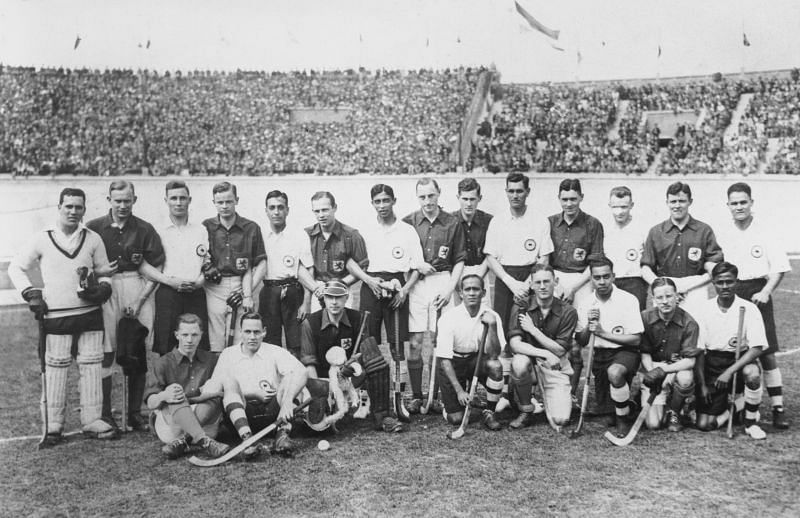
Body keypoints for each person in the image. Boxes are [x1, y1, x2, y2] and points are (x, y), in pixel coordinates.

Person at [9, 187, 117, 444]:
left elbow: (104, 271)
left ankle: (92, 421)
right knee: (56, 367)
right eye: (68, 206)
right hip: (56, 314)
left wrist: (103, 288)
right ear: (59, 207)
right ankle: (54, 425)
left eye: (78, 207)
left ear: (84, 210)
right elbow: (16, 267)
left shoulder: (92, 238)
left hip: (90, 313)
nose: (73, 211)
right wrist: (31, 294)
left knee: (91, 365)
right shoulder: (42, 238)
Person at [86, 180, 165, 432]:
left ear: (134, 200)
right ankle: (106, 413)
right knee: (107, 351)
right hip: (106, 288)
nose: (122, 205)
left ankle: (134, 413)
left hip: (137, 286)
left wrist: (141, 298)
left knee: (137, 350)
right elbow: (84, 263)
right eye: (117, 200)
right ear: (108, 199)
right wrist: (99, 273)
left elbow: (157, 267)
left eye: (127, 201)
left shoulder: (144, 228)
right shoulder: (94, 228)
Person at [716, 182, 790, 429]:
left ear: (751, 203)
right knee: (733, 348)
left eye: (743, 202)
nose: (739, 207)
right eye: (734, 203)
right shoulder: (724, 232)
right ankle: (738, 403)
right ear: (728, 206)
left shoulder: (765, 230)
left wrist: (766, 291)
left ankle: (778, 407)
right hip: (733, 293)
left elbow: (779, 267)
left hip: (758, 292)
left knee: (766, 352)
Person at [301, 280, 405, 433]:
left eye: (339, 297)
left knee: (378, 363)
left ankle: (383, 416)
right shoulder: (310, 323)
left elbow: (367, 352)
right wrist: (322, 393)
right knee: (319, 426)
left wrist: (354, 364)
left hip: (349, 375)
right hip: (323, 378)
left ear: (346, 298)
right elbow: (309, 363)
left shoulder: (359, 319)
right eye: (330, 297)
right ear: (324, 298)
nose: (334, 302)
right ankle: (324, 407)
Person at [402, 178, 467, 413]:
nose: (427, 201)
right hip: (417, 284)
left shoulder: (452, 222)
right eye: (422, 197)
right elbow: (402, 258)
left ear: (439, 194)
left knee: (441, 342)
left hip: (443, 282)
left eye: (431, 195)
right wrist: (418, 266)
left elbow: (460, 259)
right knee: (417, 343)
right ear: (417, 197)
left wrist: (450, 289)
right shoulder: (408, 222)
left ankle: (437, 394)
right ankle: (417, 395)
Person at [207, 312, 309, 458]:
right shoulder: (228, 354)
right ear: (240, 332)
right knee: (228, 381)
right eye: (247, 332)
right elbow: (215, 389)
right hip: (242, 415)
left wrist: (287, 401)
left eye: (256, 332)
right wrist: (253, 393)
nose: (252, 337)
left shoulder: (275, 351)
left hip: (274, 414)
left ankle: (282, 436)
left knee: (291, 377)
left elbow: (302, 372)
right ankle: (247, 440)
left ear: (264, 332)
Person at [357, 184, 423, 395]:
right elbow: (354, 263)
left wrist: (404, 290)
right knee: (368, 344)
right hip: (371, 287)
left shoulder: (406, 230)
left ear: (394, 200)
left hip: (396, 289)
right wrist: (368, 280)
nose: (382, 205)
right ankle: (370, 395)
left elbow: (417, 268)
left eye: (386, 200)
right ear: (372, 204)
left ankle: (399, 394)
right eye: (377, 201)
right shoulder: (365, 229)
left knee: (396, 346)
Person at [694, 262, 767, 440]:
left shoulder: (749, 308)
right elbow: (698, 351)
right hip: (713, 363)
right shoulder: (704, 309)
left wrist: (729, 371)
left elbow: (757, 348)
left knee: (753, 374)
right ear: (713, 283)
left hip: (739, 361)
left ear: (737, 282)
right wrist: (702, 385)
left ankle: (751, 423)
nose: (725, 286)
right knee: (704, 425)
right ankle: (735, 408)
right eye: (720, 282)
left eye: (729, 281)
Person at [144, 313, 230, 459]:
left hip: (205, 422)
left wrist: (205, 396)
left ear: (201, 335)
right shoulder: (163, 362)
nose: (189, 340)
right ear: (177, 335)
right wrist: (164, 395)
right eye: (185, 335)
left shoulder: (211, 360)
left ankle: (186, 441)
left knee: (214, 391)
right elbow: (151, 402)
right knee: (176, 392)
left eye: (194, 335)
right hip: (172, 427)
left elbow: (222, 393)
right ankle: (204, 441)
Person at [548, 179, 604, 399]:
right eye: (564, 199)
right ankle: (551, 389)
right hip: (556, 282)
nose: (569, 203)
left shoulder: (593, 224)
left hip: (582, 282)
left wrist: (572, 287)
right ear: (559, 199)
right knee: (553, 336)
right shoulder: (550, 222)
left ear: (581, 197)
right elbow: (546, 260)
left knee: (577, 339)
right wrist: (559, 285)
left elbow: (596, 263)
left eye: (573, 199)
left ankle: (571, 393)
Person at [575, 257, 643, 437]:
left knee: (615, 373)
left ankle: (623, 422)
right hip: (599, 355)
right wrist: (589, 327)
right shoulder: (586, 303)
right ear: (591, 279)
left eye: (606, 276)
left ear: (613, 276)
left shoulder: (628, 300)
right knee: (607, 413)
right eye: (597, 278)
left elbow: (636, 340)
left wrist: (602, 332)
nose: (602, 281)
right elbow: (581, 341)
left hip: (625, 352)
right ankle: (625, 408)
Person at [507, 264, 577, 429]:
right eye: (538, 282)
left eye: (547, 281)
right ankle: (526, 408)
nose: (543, 286)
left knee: (560, 419)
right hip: (531, 363)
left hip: (555, 365)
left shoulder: (568, 311)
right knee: (519, 363)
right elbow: (515, 344)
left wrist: (533, 330)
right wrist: (546, 353)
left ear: (556, 282)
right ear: (531, 284)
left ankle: (550, 398)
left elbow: (560, 350)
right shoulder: (521, 306)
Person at [144, 180, 210, 355]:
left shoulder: (201, 230)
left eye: (182, 198)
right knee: (166, 345)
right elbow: (144, 265)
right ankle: (167, 383)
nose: (178, 202)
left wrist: (200, 282)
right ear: (166, 201)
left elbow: (207, 262)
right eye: (174, 198)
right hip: (168, 293)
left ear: (189, 200)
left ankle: (197, 383)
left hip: (195, 293)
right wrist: (168, 281)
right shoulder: (157, 230)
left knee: (198, 345)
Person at [641, 181, 723, 320]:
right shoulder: (656, 232)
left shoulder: (704, 230)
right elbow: (645, 267)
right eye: (673, 201)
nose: (677, 205)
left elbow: (715, 267)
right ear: (667, 202)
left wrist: (688, 286)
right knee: (662, 332)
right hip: (664, 289)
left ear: (690, 201)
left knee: (697, 330)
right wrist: (662, 287)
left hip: (695, 288)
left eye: (682, 201)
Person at [202, 181, 266, 352]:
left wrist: (247, 293)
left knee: (241, 337)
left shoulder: (251, 227)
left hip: (242, 282)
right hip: (214, 286)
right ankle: (219, 376)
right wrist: (207, 266)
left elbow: (260, 263)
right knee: (216, 336)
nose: (224, 206)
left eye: (228, 201)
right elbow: (201, 258)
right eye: (220, 202)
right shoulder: (206, 227)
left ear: (236, 200)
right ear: (213, 202)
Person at [436, 275, 505, 431]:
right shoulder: (449, 318)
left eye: (476, 289)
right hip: (452, 362)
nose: (472, 293)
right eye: (467, 289)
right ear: (461, 293)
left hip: (474, 360)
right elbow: (444, 360)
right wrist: (460, 392)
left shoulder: (492, 316)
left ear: (484, 292)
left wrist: (492, 326)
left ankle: (489, 411)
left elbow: (494, 354)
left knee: (495, 366)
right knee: (456, 419)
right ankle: (446, 404)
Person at [252, 190, 316, 358]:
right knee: (269, 342)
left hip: (293, 291)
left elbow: (308, 268)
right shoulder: (260, 234)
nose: (276, 212)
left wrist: (307, 301)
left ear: (287, 210)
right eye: (272, 207)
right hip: (269, 291)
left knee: (297, 343)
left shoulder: (298, 234)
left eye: (280, 207)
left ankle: (298, 380)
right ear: (266, 210)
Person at [485, 172, 553, 328]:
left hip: (531, 279)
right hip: (505, 279)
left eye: (519, 191)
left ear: (528, 192)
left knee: (531, 327)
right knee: (502, 327)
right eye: (511, 191)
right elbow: (490, 257)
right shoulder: (497, 221)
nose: (515, 195)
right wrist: (511, 283)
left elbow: (544, 257)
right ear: (506, 192)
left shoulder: (540, 220)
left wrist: (527, 285)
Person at [639, 278, 700, 432]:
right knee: (653, 424)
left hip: (676, 368)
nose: (665, 301)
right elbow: (644, 352)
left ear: (677, 296)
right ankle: (662, 401)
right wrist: (652, 371)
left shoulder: (689, 322)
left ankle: (675, 410)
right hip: (653, 367)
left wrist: (664, 371)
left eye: (669, 296)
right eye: (659, 297)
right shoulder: (645, 317)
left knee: (685, 378)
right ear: (653, 299)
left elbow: (690, 361)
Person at [306, 191, 370, 311]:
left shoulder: (352, 235)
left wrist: (341, 283)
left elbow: (363, 266)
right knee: (317, 327)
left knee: (343, 327)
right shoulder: (307, 235)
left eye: (325, 210)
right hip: (317, 289)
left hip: (342, 288)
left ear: (335, 208)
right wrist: (315, 287)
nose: (321, 215)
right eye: (317, 211)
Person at [603, 186, 649, 310]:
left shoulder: (642, 228)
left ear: (631, 205)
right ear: (609, 206)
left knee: (636, 323)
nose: (619, 212)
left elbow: (649, 262)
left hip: (634, 282)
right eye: (615, 207)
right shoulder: (604, 229)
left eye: (624, 207)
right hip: (609, 282)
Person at [451, 178, 493, 297]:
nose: (469, 204)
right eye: (465, 199)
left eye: (472, 199)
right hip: (456, 274)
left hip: (481, 272)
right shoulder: (449, 221)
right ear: (458, 197)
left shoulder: (488, 221)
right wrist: (455, 282)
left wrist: (478, 279)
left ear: (479, 198)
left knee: (482, 313)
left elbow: (491, 254)